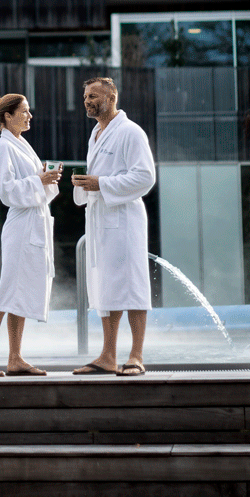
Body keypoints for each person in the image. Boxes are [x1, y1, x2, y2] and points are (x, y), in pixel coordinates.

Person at [0, 93, 62, 377]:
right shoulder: (4, 147)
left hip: (33, 222)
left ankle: (15, 358)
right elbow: (6, 190)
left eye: (29, 111)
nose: (29, 116)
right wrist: (39, 180)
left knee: (20, 293)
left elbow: (33, 184)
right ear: (7, 116)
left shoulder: (21, 143)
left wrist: (46, 179)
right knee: (7, 291)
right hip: (21, 226)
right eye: (24, 111)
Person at [71, 76, 156, 377]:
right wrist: (86, 185)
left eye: (93, 95)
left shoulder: (131, 132)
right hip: (101, 222)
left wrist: (100, 183)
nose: (88, 101)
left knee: (132, 285)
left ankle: (136, 356)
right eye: (85, 97)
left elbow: (145, 177)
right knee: (106, 286)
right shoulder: (96, 134)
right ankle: (108, 355)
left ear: (112, 97)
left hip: (124, 221)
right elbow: (99, 179)